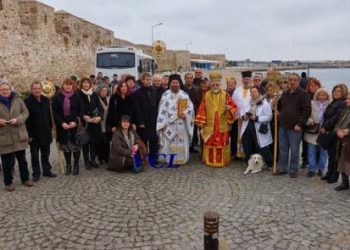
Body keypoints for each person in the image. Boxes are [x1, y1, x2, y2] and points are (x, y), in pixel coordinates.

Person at [195, 71, 237, 167]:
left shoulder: (226, 95)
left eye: (217, 84)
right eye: (213, 84)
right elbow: (202, 109)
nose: (215, 86)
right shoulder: (206, 95)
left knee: (221, 143)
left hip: (222, 125)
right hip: (210, 125)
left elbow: (234, 107)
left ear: (220, 84)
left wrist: (229, 109)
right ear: (211, 84)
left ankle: (223, 161)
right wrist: (202, 123)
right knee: (210, 142)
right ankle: (209, 161)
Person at [0, 80, 33, 191]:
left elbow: (25, 113)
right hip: (4, 136)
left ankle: (25, 179)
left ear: (10, 90)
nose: (5, 91)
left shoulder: (18, 100)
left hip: (19, 134)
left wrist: (18, 120)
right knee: (6, 162)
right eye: (2, 89)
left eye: (7, 89)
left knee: (22, 159)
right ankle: (8, 183)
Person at [277, 73, 311, 178]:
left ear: (298, 81)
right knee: (283, 148)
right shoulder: (285, 93)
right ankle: (282, 168)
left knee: (295, 149)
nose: (292, 82)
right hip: (283, 125)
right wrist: (276, 103)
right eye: (290, 80)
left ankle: (293, 169)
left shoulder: (303, 94)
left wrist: (300, 123)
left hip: (295, 127)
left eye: (295, 80)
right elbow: (280, 107)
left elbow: (306, 110)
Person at [156, 74, 195, 165]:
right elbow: (161, 110)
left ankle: (181, 158)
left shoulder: (184, 95)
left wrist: (185, 113)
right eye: (173, 82)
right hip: (169, 124)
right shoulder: (165, 95)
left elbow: (190, 108)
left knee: (181, 141)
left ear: (179, 83)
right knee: (169, 141)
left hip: (182, 123)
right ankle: (168, 159)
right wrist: (162, 123)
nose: (175, 84)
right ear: (170, 83)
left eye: (177, 82)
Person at [25, 81, 56, 182]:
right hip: (34, 133)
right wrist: (28, 135)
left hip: (46, 132)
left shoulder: (46, 100)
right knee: (34, 155)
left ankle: (46, 170)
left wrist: (52, 127)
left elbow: (49, 115)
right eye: (35, 88)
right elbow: (26, 120)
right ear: (32, 89)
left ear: (41, 89)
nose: (37, 90)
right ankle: (36, 173)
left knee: (46, 153)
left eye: (38, 88)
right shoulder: (27, 101)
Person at [52, 78, 84, 176]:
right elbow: (55, 112)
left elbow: (81, 110)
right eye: (66, 84)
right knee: (66, 147)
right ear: (63, 85)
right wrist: (61, 123)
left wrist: (75, 122)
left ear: (73, 86)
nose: (68, 86)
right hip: (63, 126)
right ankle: (69, 165)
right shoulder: (58, 97)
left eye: (70, 84)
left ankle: (76, 165)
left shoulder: (77, 96)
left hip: (74, 125)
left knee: (76, 147)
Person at [320, 84, 348, 183]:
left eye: (339, 91)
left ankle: (334, 175)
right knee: (330, 153)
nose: (336, 92)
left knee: (334, 155)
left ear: (343, 92)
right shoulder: (334, 102)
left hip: (335, 131)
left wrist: (325, 126)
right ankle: (329, 173)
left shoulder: (342, 104)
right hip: (330, 131)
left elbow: (336, 117)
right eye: (335, 90)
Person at [240, 86, 273, 167]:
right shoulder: (248, 102)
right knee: (247, 145)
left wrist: (257, 118)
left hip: (258, 126)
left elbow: (269, 117)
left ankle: (270, 163)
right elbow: (242, 112)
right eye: (251, 92)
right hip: (248, 125)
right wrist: (244, 116)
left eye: (255, 91)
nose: (253, 93)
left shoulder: (265, 104)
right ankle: (249, 162)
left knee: (262, 147)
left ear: (259, 92)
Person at [78, 77, 103, 169]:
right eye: (84, 83)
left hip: (94, 122)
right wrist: (83, 116)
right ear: (81, 84)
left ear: (90, 84)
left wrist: (99, 117)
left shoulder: (94, 94)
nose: (86, 84)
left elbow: (100, 108)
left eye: (87, 83)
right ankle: (86, 161)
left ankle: (92, 159)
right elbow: (77, 109)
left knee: (93, 142)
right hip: (85, 123)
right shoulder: (78, 94)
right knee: (85, 142)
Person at [304, 88, 330, 177]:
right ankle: (312, 169)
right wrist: (310, 121)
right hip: (313, 131)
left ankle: (321, 169)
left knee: (323, 152)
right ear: (317, 95)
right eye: (320, 95)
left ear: (326, 96)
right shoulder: (312, 103)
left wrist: (326, 126)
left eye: (323, 95)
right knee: (311, 151)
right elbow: (306, 114)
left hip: (324, 131)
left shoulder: (330, 105)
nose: (321, 97)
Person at [133, 73, 159, 157]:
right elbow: (136, 109)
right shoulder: (137, 93)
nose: (149, 82)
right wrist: (140, 122)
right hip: (143, 121)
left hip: (153, 120)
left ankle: (153, 157)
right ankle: (143, 157)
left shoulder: (154, 90)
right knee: (143, 140)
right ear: (142, 80)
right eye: (147, 80)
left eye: (150, 80)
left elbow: (157, 105)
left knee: (153, 140)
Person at [232, 71, 253, 159]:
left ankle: (248, 154)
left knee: (248, 137)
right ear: (242, 79)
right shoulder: (237, 90)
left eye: (248, 79)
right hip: (239, 118)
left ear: (251, 79)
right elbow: (233, 103)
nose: (246, 81)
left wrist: (248, 114)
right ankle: (239, 153)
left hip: (250, 118)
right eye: (245, 79)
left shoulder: (254, 90)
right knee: (239, 135)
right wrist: (237, 115)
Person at [334, 93, 350, 191]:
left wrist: (347, 131)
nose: (346, 100)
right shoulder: (345, 111)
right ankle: (345, 183)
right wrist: (337, 131)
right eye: (347, 98)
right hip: (342, 141)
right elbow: (338, 123)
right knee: (342, 162)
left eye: (349, 99)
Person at [183, 72, 199, 153]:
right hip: (184, 112)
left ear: (193, 79)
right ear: (185, 79)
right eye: (187, 78)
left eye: (190, 78)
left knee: (194, 129)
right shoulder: (182, 89)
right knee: (185, 129)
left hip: (194, 112)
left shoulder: (196, 88)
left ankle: (192, 146)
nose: (189, 79)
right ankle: (185, 145)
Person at [96, 85, 110, 164]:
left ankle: (107, 157)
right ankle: (100, 157)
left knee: (107, 141)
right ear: (99, 91)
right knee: (100, 141)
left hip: (107, 124)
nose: (104, 92)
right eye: (102, 91)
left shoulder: (109, 99)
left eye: (105, 91)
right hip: (99, 123)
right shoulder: (97, 99)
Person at [226, 77, 238, 157]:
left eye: (232, 83)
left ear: (235, 84)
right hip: (225, 117)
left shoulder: (238, 93)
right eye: (228, 83)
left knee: (234, 135)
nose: (230, 84)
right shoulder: (223, 92)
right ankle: (226, 151)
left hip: (235, 117)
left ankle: (234, 152)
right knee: (226, 135)